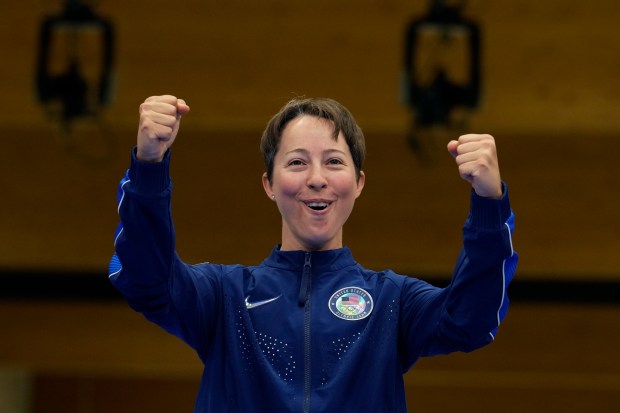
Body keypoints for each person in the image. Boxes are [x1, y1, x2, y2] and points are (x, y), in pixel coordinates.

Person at [109, 95, 518, 412]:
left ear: (358, 183)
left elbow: (472, 321)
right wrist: (149, 164)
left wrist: (488, 202)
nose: (317, 179)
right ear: (269, 184)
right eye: (298, 162)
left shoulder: (392, 303)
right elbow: (145, 278)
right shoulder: (223, 297)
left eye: (334, 161)